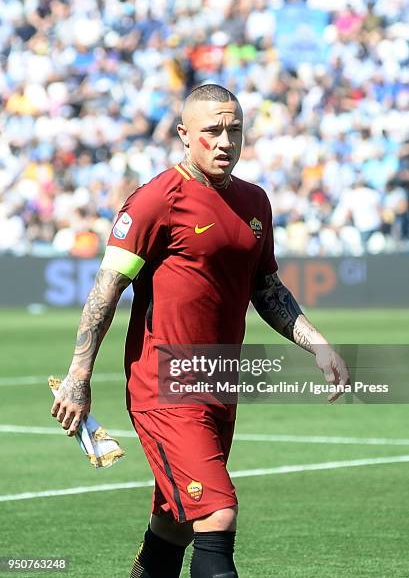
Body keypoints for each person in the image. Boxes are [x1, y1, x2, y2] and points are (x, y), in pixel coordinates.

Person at [51, 84, 349, 578]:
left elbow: (267, 289)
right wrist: (78, 375)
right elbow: (105, 291)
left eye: (234, 129)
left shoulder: (255, 202)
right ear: (185, 135)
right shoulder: (155, 200)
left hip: (217, 383)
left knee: (174, 524)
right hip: (164, 389)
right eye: (212, 130)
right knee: (217, 513)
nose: (225, 141)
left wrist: (317, 344)